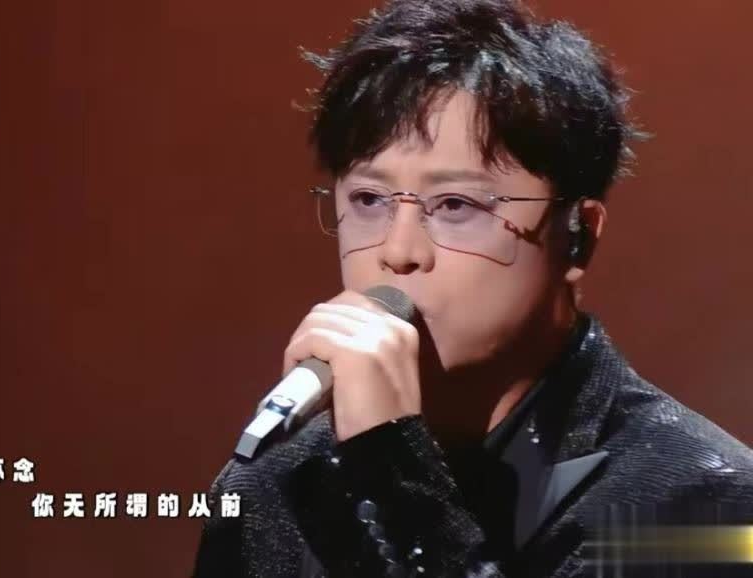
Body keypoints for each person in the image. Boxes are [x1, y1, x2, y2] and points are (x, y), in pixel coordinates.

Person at [192, 0, 753, 576]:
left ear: (578, 235)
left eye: (456, 205)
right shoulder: (280, 483)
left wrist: (392, 471)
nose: (398, 251)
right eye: (368, 200)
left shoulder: (710, 508)